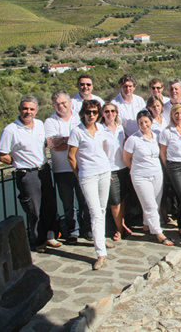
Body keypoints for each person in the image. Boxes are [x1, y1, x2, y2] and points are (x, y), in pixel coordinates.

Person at [0, 96, 61, 252]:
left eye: (32, 109)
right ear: (20, 109)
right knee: (35, 210)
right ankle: (38, 242)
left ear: (36, 110)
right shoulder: (11, 130)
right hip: (28, 174)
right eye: (25, 108)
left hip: (44, 170)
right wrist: (18, 162)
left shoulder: (40, 125)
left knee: (49, 205)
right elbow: (2, 154)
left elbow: (46, 143)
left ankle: (50, 237)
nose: (28, 112)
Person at [67, 100, 113, 270]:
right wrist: (78, 175)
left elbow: (102, 149)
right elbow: (71, 156)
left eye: (94, 112)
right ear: (83, 113)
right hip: (88, 175)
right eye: (88, 112)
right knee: (94, 212)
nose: (91, 115)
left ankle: (100, 239)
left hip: (103, 172)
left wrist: (106, 168)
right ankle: (100, 253)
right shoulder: (76, 132)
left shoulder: (101, 129)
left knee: (102, 209)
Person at [44, 90, 89, 244]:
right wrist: (74, 140)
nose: (61, 106)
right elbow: (52, 145)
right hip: (61, 169)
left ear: (70, 102)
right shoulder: (50, 121)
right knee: (68, 204)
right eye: (57, 104)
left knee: (84, 201)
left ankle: (87, 229)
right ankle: (72, 232)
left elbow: (86, 139)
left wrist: (63, 140)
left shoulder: (79, 116)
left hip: (81, 166)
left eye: (64, 102)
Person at [123, 110, 174, 246]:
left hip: (157, 174)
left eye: (146, 122)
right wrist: (134, 170)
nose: (144, 125)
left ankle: (146, 225)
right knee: (150, 205)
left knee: (155, 203)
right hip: (140, 176)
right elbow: (126, 159)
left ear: (151, 122)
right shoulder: (133, 139)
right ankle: (159, 234)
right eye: (140, 123)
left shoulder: (157, 136)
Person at [159, 103, 181, 238]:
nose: (179, 116)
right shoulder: (166, 132)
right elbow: (162, 153)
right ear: (172, 115)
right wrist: (168, 167)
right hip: (174, 166)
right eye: (176, 114)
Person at [101, 103, 132, 241]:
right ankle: (118, 229)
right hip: (110, 170)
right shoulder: (100, 130)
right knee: (115, 201)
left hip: (123, 168)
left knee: (122, 199)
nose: (110, 113)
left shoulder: (120, 128)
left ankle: (122, 224)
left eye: (113, 111)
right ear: (102, 113)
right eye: (107, 111)